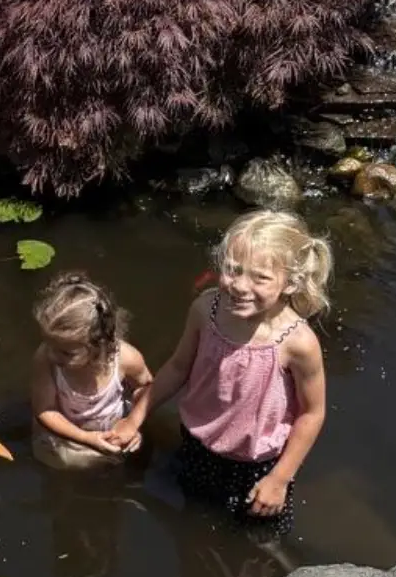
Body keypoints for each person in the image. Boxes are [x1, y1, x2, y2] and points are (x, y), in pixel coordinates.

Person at [111, 210, 330, 533]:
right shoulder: (206, 309)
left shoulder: (298, 343)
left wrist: (280, 478)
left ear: (290, 283)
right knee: (194, 520)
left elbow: (312, 413)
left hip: (257, 464)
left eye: (260, 278)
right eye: (232, 270)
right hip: (197, 445)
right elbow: (177, 367)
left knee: (257, 535)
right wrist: (135, 418)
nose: (240, 286)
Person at [31, 273, 152, 469]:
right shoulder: (45, 358)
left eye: (65, 352)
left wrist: (132, 424)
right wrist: (86, 438)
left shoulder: (127, 359)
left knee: (128, 456)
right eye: (48, 344)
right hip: (65, 436)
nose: (53, 355)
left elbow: (146, 390)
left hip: (111, 430)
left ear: (98, 345)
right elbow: (45, 410)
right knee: (62, 460)